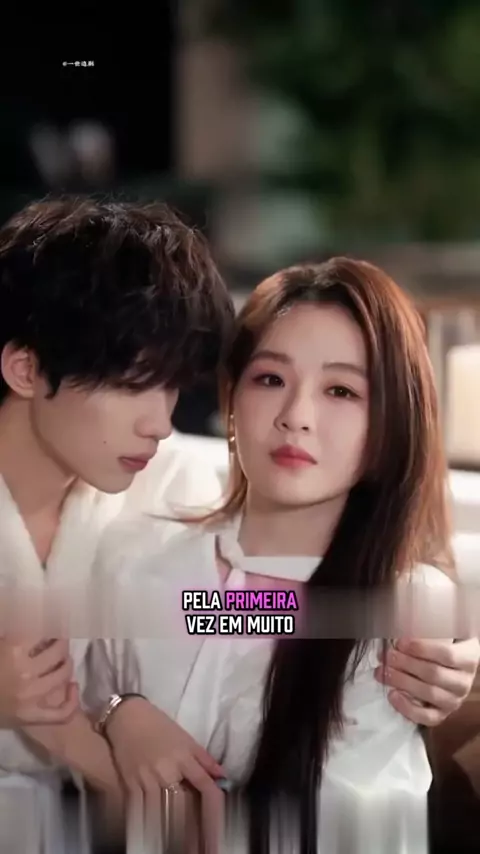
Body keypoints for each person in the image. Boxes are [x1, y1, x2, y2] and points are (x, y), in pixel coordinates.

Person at [23, 258, 480, 853]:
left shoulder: (400, 606)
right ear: (231, 399)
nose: (296, 417)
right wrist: (119, 712)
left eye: (342, 391)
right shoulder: (136, 556)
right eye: (270, 379)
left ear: (389, 428)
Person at [0, 195, 234, 853]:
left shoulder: (178, 485)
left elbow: (262, 609)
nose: (159, 422)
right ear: (26, 369)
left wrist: (415, 633)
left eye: (170, 385)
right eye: (132, 383)